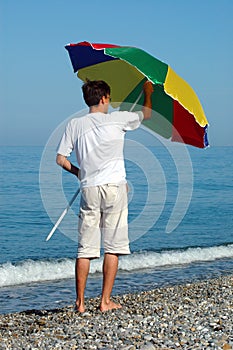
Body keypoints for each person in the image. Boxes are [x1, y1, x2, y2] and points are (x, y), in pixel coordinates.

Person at [56, 80, 153, 312]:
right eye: (109, 98)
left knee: (85, 249)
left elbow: (61, 159)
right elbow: (147, 114)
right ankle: (104, 301)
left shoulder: (74, 124)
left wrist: (80, 173)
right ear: (103, 99)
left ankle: (80, 303)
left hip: (89, 188)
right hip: (114, 188)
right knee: (112, 246)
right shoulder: (118, 119)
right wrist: (147, 92)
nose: (109, 102)